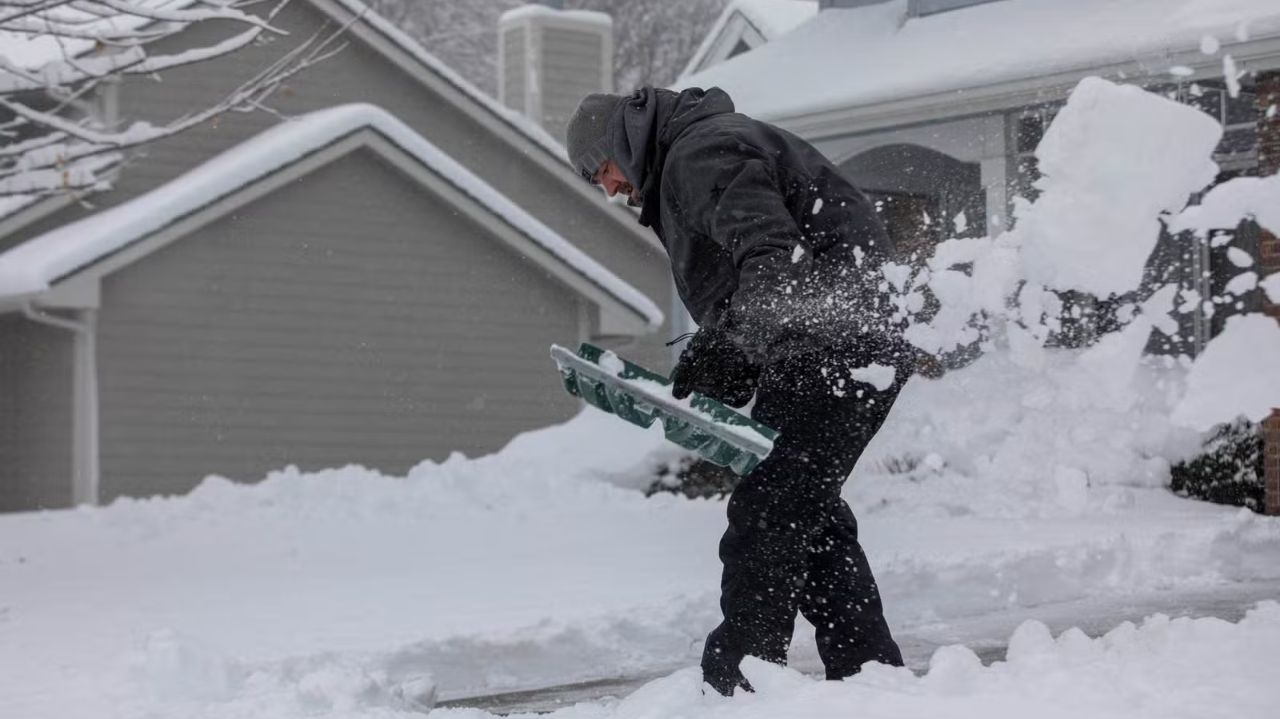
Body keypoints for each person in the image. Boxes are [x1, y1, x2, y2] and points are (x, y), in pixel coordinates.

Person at [565, 86, 914, 696]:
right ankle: (869, 672)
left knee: (769, 515)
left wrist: (729, 346)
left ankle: (739, 682)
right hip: (836, 342)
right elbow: (763, 278)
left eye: (603, 170)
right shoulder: (695, 153)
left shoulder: (701, 151)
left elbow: (773, 258)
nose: (612, 189)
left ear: (621, 141)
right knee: (807, 513)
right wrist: (727, 352)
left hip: (836, 343)